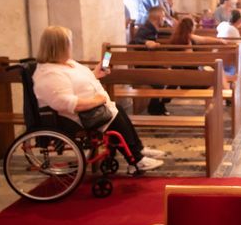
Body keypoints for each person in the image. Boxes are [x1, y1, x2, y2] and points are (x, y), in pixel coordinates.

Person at [32, 26, 164, 171]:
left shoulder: (66, 63)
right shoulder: (50, 74)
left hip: (90, 109)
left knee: (117, 110)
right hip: (74, 117)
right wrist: (98, 100)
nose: (71, 45)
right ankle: (136, 160)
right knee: (113, 118)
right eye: (69, 42)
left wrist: (95, 73)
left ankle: (138, 149)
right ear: (60, 46)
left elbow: (78, 82)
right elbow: (66, 102)